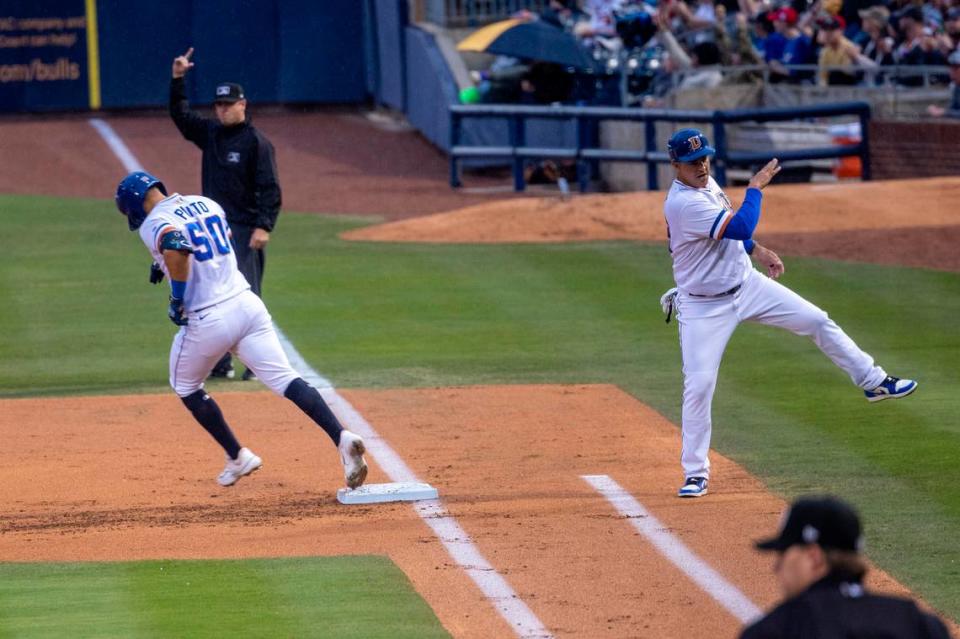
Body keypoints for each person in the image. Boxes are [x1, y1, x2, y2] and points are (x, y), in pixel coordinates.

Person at [660, 129, 917, 498]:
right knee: (699, 386)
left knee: (817, 320)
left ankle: (873, 381)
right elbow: (742, 223)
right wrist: (756, 187)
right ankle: (695, 473)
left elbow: (735, 231)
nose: (701, 166)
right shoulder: (682, 203)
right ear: (675, 166)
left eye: (704, 158)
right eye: (691, 162)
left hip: (746, 285)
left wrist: (757, 250)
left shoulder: (705, 184)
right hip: (703, 307)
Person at [115, 171, 368, 490]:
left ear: (135, 205)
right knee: (287, 379)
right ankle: (342, 437)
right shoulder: (204, 202)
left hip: (209, 318)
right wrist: (162, 263)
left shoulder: (154, 222)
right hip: (247, 305)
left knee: (185, 385)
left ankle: (237, 456)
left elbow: (177, 246)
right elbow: (210, 249)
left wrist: (177, 296)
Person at [169, 47, 281, 381]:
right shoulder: (212, 134)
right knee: (212, 295)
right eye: (218, 105)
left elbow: (270, 188)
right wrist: (178, 79)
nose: (222, 110)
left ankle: (257, 364)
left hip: (246, 229)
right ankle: (220, 363)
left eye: (228, 105)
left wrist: (264, 225)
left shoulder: (257, 143)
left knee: (246, 295)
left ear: (243, 105)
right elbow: (181, 116)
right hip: (216, 230)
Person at [740, 496, 950, 638]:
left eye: (783, 553)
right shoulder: (918, 623)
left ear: (814, 558)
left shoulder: (775, 630)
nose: (776, 567)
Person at [927, 49, 960, 117]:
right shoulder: (957, 87)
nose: (952, 72)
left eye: (956, 68)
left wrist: (945, 112)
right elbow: (953, 108)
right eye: (951, 68)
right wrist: (939, 110)